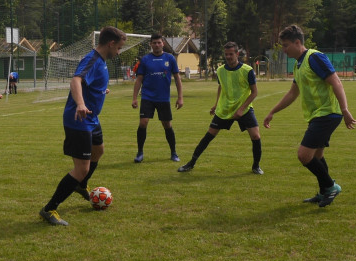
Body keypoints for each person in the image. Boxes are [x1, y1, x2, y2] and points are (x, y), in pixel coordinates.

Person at [40, 26, 127, 226]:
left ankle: (81, 185)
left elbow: (89, 83)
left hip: (92, 119)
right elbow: (76, 80)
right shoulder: (92, 59)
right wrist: (80, 103)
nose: (118, 52)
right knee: (81, 168)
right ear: (110, 44)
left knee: (98, 151)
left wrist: (100, 91)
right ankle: (49, 208)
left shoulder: (101, 62)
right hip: (79, 120)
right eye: (118, 48)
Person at [263, 25, 356, 207]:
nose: (284, 50)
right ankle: (324, 192)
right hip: (318, 115)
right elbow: (292, 93)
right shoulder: (298, 64)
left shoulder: (314, 57)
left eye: (286, 45)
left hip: (327, 113)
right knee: (317, 156)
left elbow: (336, 82)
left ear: (298, 42)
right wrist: (273, 111)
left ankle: (331, 187)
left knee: (304, 155)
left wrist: (345, 109)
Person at [178, 41, 262, 174]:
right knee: (209, 136)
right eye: (226, 54)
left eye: (231, 54)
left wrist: (241, 109)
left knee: (256, 136)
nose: (228, 57)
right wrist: (216, 104)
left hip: (244, 109)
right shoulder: (220, 70)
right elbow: (221, 86)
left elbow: (254, 92)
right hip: (225, 109)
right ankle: (191, 163)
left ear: (237, 54)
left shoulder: (247, 70)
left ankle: (256, 166)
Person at [132, 34, 183, 162]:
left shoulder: (170, 58)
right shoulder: (145, 60)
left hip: (163, 98)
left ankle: (174, 153)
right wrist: (134, 98)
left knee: (167, 124)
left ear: (163, 44)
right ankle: (139, 153)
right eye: (154, 43)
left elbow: (177, 78)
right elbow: (139, 80)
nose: (156, 45)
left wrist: (180, 97)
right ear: (151, 44)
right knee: (143, 122)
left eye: (159, 42)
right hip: (147, 97)